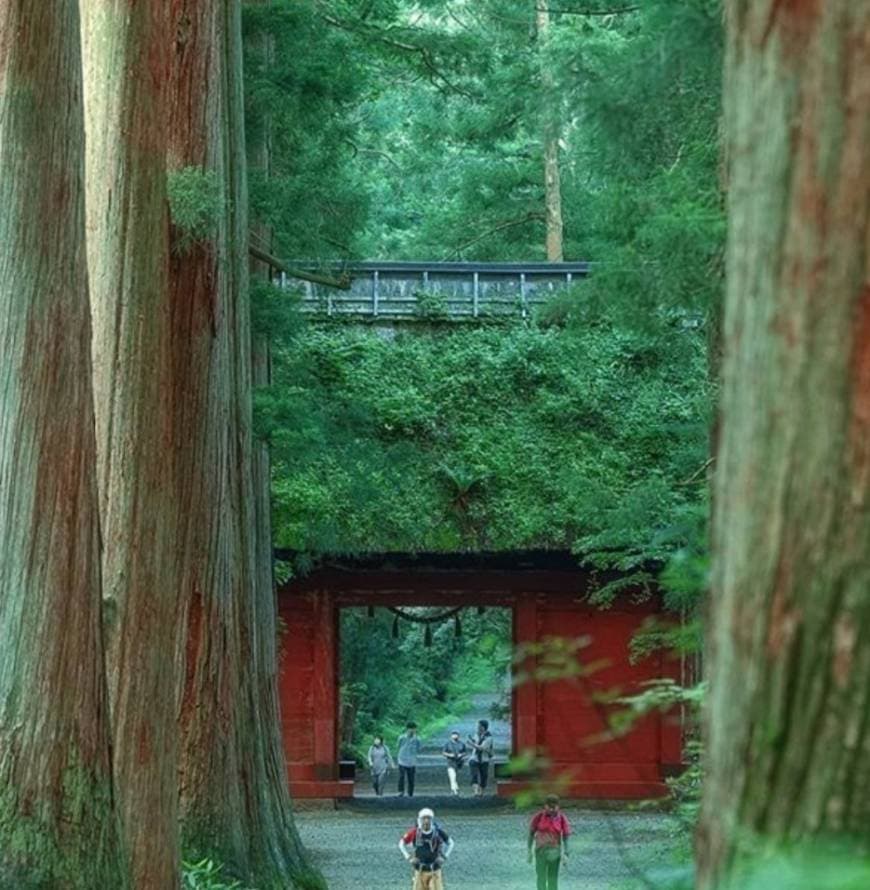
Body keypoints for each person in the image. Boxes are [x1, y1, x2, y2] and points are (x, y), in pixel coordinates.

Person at [398, 807, 454, 890]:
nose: (426, 821)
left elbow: (451, 843)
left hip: (434, 870)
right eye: (424, 818)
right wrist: (409, 857)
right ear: (420, 820)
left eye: (429, 818)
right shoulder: (414, 832)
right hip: (419, 870)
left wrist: (444, 857)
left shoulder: (437, 832)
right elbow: (401, 844)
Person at [527, 794, 571, 890]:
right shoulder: (538, 817)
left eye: (554, 807)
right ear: (545, 806)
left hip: (555, 853)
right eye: (549, 807)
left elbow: (566, 836)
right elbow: (531, 834)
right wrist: (529, 851)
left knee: (553, 879)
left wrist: (566, 853)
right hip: (540, 852)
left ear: (558, 807)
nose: (551, 809)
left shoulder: (562, 818)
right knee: (541, 878)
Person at [466, 719, 494, 796]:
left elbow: (482, 748)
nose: (477, 727)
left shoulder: (489, 738)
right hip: (474, 758)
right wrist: (472, 741)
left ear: (483, 727)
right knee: (474, 774)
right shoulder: (476, 734)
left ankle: (481, 791)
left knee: (484, 776)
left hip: (484, 759)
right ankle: (475, 791)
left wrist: (471, 744)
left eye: (479, 726)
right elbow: (476, 742)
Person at [396, 722, 422, 797]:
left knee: (411, 778)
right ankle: (400, 791)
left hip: (412, 761)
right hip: (402, 759)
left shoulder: (417, 739)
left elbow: (419, 748)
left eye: (414, 729)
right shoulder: (401, 737)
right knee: (401, 776)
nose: (412, 730)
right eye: (411, 729)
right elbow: (398, 746)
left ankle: (410, 792)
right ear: (407, 729)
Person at [441, 730, 467, 796]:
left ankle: (456, 788)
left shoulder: (462, 744)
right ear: (451, 736)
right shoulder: (447, 744)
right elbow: (443, 752)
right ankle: (454, 790)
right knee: (452, 776)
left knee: (455, 776)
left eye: (456, 734)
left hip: (458, 762)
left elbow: (465, 752)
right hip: (450, 762)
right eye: (453, 734)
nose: (455, 736)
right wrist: (449, 755)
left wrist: (461, 755)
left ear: (458, 736)